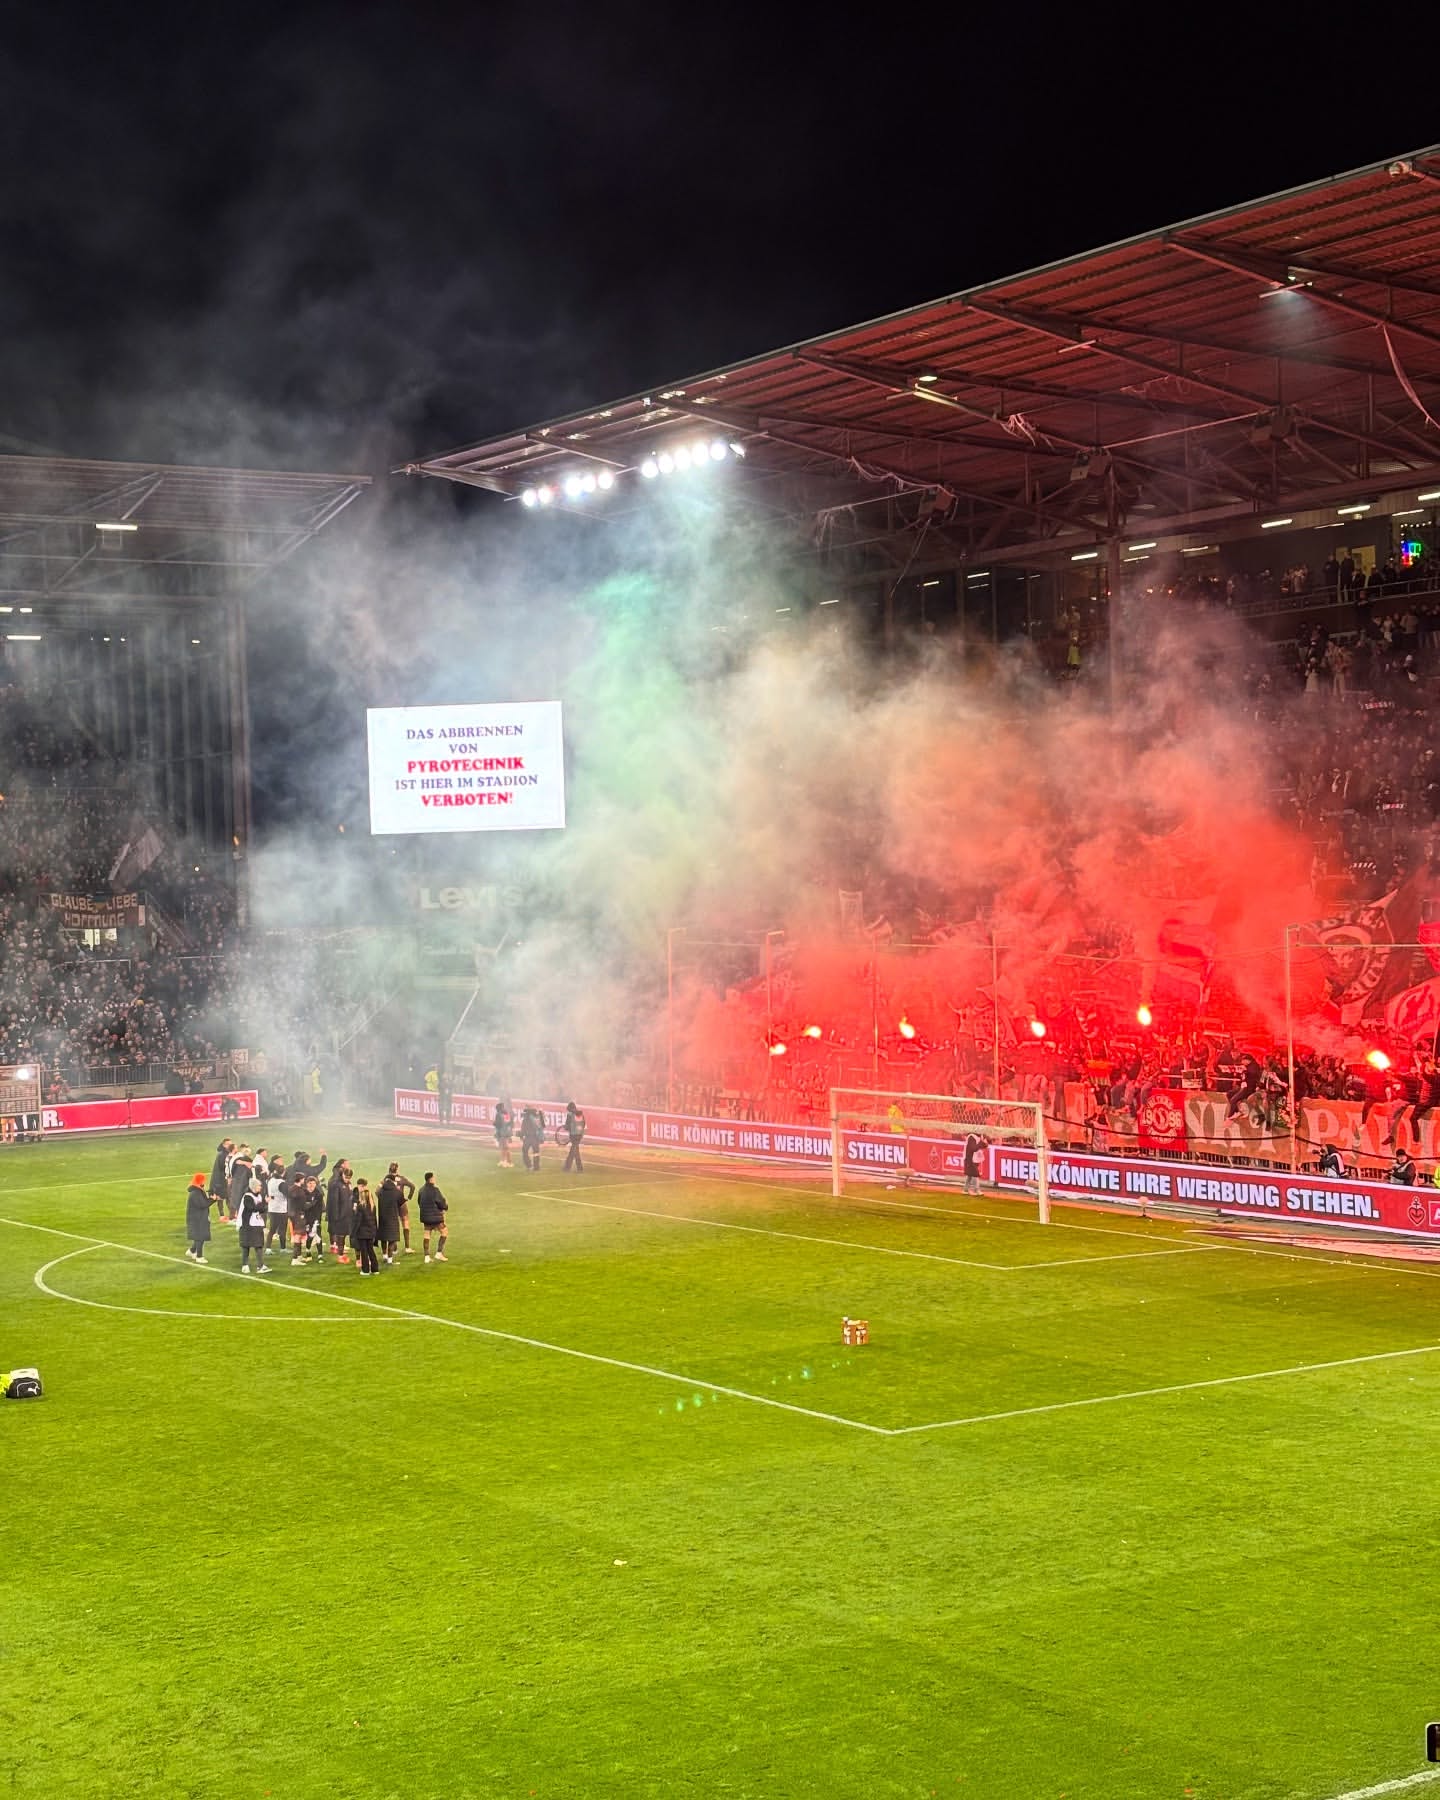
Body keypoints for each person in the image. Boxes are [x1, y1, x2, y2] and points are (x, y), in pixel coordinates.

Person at [384, 1161, 416, 1253]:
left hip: (391, 1204)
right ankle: (407, 1247)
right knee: (405, 1223)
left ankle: (394, 1248)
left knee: (393, 1225)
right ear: (397, 1169)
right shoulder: (401, 1178)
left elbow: (378, 1191)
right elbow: (412, 1186)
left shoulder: (386, 1179)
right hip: (401, 1204)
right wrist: (409, 1197)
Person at [237, 1182, 270, 1274]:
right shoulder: (247, 1197)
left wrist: (264, 1205)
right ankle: (245, 1265)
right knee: (246, 1245)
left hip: (257, 1223)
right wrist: (264, 1203)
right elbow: (252, 1208)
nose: (261, 1187)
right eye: (259, 1185)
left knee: (259, 1244)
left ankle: (260, 1266)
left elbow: (261, 1209)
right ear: (254, 1187)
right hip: (247, 1224)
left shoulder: (258, 1196)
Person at [185, 1171, 216, 1263]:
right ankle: (199, 1257)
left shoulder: (198, 1190)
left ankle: (192, 1251)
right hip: (197, 1219)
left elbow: (204, 1203)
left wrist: (212, 1199)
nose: (204, 1182)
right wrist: (212, 1199)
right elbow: (203, 1204)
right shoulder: (196, 1192)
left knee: (199, 1236)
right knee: (200, 1237)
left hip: (198, 1217)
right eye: (203, 1180)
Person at [326, 1161, 354, 1262]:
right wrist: (336, 1216)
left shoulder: (349, 1184)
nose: (347, 1179)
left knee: (345, 1234)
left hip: (348, 1214)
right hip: (340, 1215)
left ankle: (341, 1253)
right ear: (342, 1175)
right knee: (341, 1235)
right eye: (346, 1177)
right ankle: (340, 1256)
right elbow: (334, 1202)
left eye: (349, 1178)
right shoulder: (336, 1185)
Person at [418, 1171, 449, 1262]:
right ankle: (439, 1253)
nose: (434, 1179)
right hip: (436, 1218)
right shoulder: (435, 1190)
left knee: (427, 1234)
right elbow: (441, 1202)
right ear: (430, 1179)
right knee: (444, 1232)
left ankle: (426, 1257)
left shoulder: (421, 1190)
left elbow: (419, 1202)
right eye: (433, 1178)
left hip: (425, 1217)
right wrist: (445, 1207)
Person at [376, 1168, 404, 1264]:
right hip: (393, 1217)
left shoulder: (380, 1191)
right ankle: (390, 1260)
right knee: (392, 1239)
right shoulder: (397, 1192)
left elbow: (377, 1192)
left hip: (382, 1218)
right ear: (393, 1181)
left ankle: (384, 1256)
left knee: (384, 1238)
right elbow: (401, 1203)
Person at [352, 1178, 379, 1276]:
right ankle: (375, 1269)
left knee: (364, 1251)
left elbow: (358, 1221)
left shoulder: (360, 1207)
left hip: (362, 1232)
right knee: (371, 1250)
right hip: (371, 1231)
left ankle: (365, 1270)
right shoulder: (372, 1206)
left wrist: (353, 1232)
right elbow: (374, 1220)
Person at [265, 1157, 290, 1253]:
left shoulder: (270, 1180)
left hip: (272, 1207)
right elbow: (287, 1195)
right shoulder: (281, 1183)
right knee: (282, 1230)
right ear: (283, 1172)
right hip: (281, 1209)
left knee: (272, 1229)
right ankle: (283, 1248)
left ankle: (268, 1248)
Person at [208, 1137, 234, 1222]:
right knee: (221, 1198)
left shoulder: (226, 1153)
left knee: (228, 1197)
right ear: (224, 1145)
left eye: (231, 1144)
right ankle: (222, 1215)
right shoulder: (222, 1155)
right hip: (220, 1180)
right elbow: (222, 1167)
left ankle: (231, 1215)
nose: (230, 1145)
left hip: (224, 1179)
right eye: (228, 1144)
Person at [562, 1100, 586, 1174]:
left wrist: (565, 1127)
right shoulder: (581, 1114)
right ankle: (579, 1168)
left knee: (572, 1151)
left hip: (573, 1135)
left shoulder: (570, 1115)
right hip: (579, 1134)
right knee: (575, 1151)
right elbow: (584, 1124)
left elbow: (567, 1126)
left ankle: (567, 1167)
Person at [519, 1105, 544, 1173]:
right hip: (536, 1138)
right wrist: (541, 1137)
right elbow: (542, 1127)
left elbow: (523, 1128)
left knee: (525, 1151)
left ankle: (529, 1165)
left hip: (528, 1137)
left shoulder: (526, 1118)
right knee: (536, 1152)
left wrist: (521, 1136)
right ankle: (536, 1167)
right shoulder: (537, 1118)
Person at [494, 1098, 515, 1169]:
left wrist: (494, 1124)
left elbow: (498, 1124)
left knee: (504, 1148)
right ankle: (505, 1161)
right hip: (507, 1133)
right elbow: (509, 1124)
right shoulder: (506, 1114)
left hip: (502, 1133)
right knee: (505, 1148)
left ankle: (506, 1162)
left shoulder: (499, 1114)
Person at [962, 1130, 983, 1195]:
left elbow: (982, 1146)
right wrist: (981, 1143)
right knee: (975, 1174)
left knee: (970, 1175)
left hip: (973, 1159)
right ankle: (976, 1190)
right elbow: (973, 1148)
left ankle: (965, 1190)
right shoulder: (972, 1137)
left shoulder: (976, 1137)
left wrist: (984, 1143)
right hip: (970, 1159)